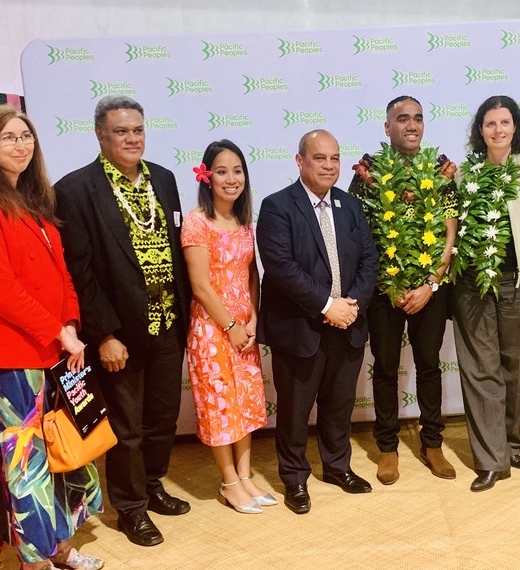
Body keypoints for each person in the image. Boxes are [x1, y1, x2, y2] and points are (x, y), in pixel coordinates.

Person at [0, 105, 103, 570]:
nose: (21, 145)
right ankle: (33, 568)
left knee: (63, 451)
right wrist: (57, 332)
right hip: (9, 355)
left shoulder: (33, 201)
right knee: (26, 462)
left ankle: (58, 545)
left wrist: (70, 328)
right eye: (8, 138)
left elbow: (62, 277)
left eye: (27, 136)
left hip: (54, 347)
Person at [54, 96, 191, 545]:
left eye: (137, 129)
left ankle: (153, 487)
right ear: (100, 135)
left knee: (162, 418)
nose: (132, 138)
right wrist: (105, 335)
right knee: (127, 428)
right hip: (120, 334)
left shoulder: (165, 180)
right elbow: (81, 271)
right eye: (120, 131)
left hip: (168, 323)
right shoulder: (75, 190)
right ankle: (130, 509)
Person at [256, 129, 378, 515]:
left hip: (349, 325)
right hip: (301, 327)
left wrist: (351, 306)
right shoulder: (278, 206)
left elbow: (369, 260)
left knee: (339, 405)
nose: (329, 166)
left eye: (335, 159)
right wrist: (328, 306)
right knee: (294, 410)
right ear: (300, 161)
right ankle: (294, 478)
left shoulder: (350, 206)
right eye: (320, 158)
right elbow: (280, 267)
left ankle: (337, 468)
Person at [349, 95, 458, 485]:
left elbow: (451, 234)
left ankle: (432, 444)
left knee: (429, 365)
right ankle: (388, 448)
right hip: (384, 292)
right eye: (402, 119)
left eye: (417, 119)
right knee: (385, 368)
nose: (411, 125)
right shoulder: (369, 172)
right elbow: (359, 236)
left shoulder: (440, 168)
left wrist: (430, 284)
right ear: (387, 127)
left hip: (430, 288)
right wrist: (387, 283)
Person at [452, 95, 520, 492]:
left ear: (516, 127)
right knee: (481, 369)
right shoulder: (464, 175)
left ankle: (510, 444)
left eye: (505, 122)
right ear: (481, 130)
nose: (498, 130)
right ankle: (491, 460)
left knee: (513, 365)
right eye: (490, 124)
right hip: (474, 284)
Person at [181, 140, 275, 515]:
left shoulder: (244, 222)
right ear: (207, 176)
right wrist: (232, 324)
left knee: (247, 403)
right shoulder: (196, 222)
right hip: (212, 328)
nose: (231, 178)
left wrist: (252, 318)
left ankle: (246, 476)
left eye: (237, 170)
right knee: (220, 407)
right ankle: (229, 482)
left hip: (245, 327)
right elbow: (200, 285)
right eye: (221, 171)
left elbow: (253, 273)